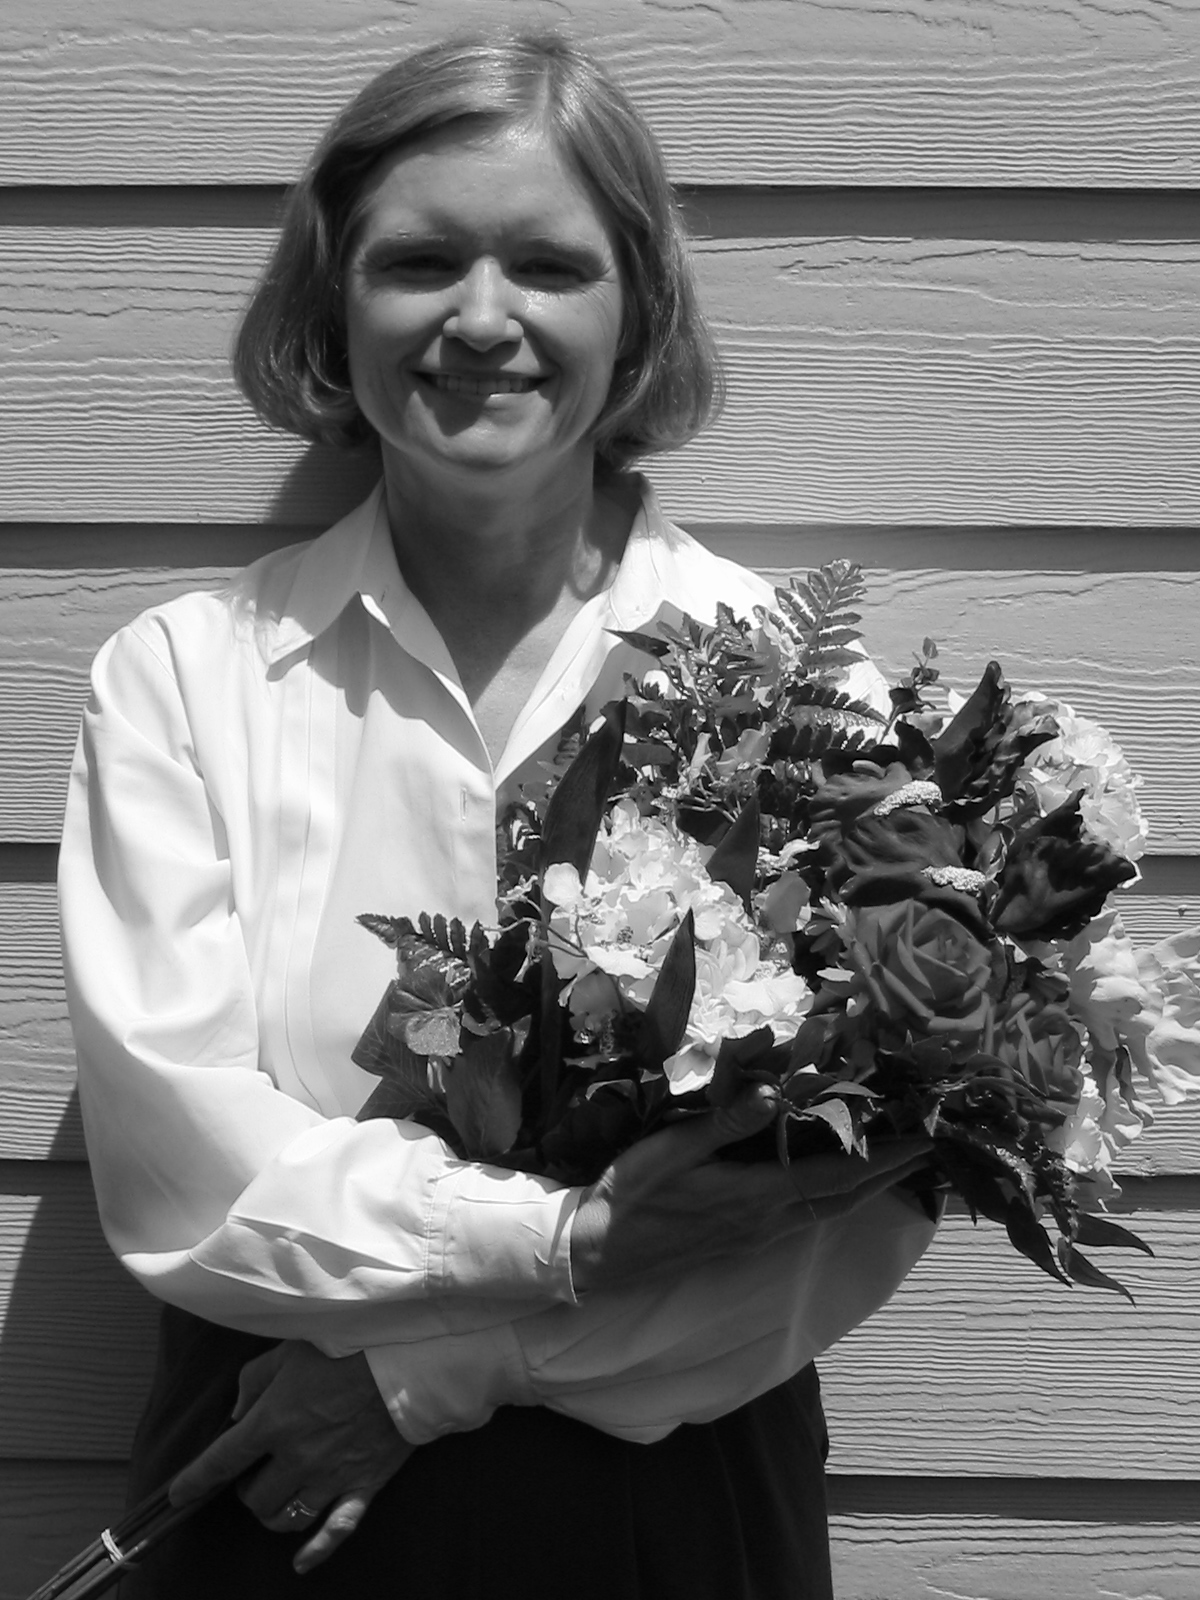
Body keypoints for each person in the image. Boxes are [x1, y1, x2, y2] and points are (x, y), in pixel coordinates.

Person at [58, 32, 937, 1600]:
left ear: (637, 309)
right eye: (418, 262)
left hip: (670, 1507)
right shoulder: (187, 684)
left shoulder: (798, 689)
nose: (480, 318)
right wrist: (573, 1246)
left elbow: (844, 1211)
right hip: (273, 1490)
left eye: (547, 264)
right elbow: (189, 1170)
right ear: (332, 303)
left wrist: (430, 1371)